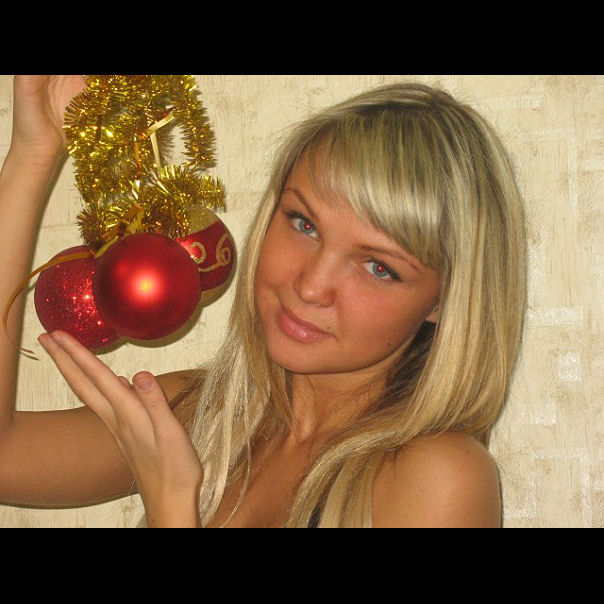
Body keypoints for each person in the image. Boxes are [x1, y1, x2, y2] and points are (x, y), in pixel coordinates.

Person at [0, 75, 527, 528]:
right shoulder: (205, 416)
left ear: (444, 301)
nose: (311, 286)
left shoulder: (437, 476)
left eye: (378, 267)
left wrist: (172, 509)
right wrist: (33, 152)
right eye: (304, 223)